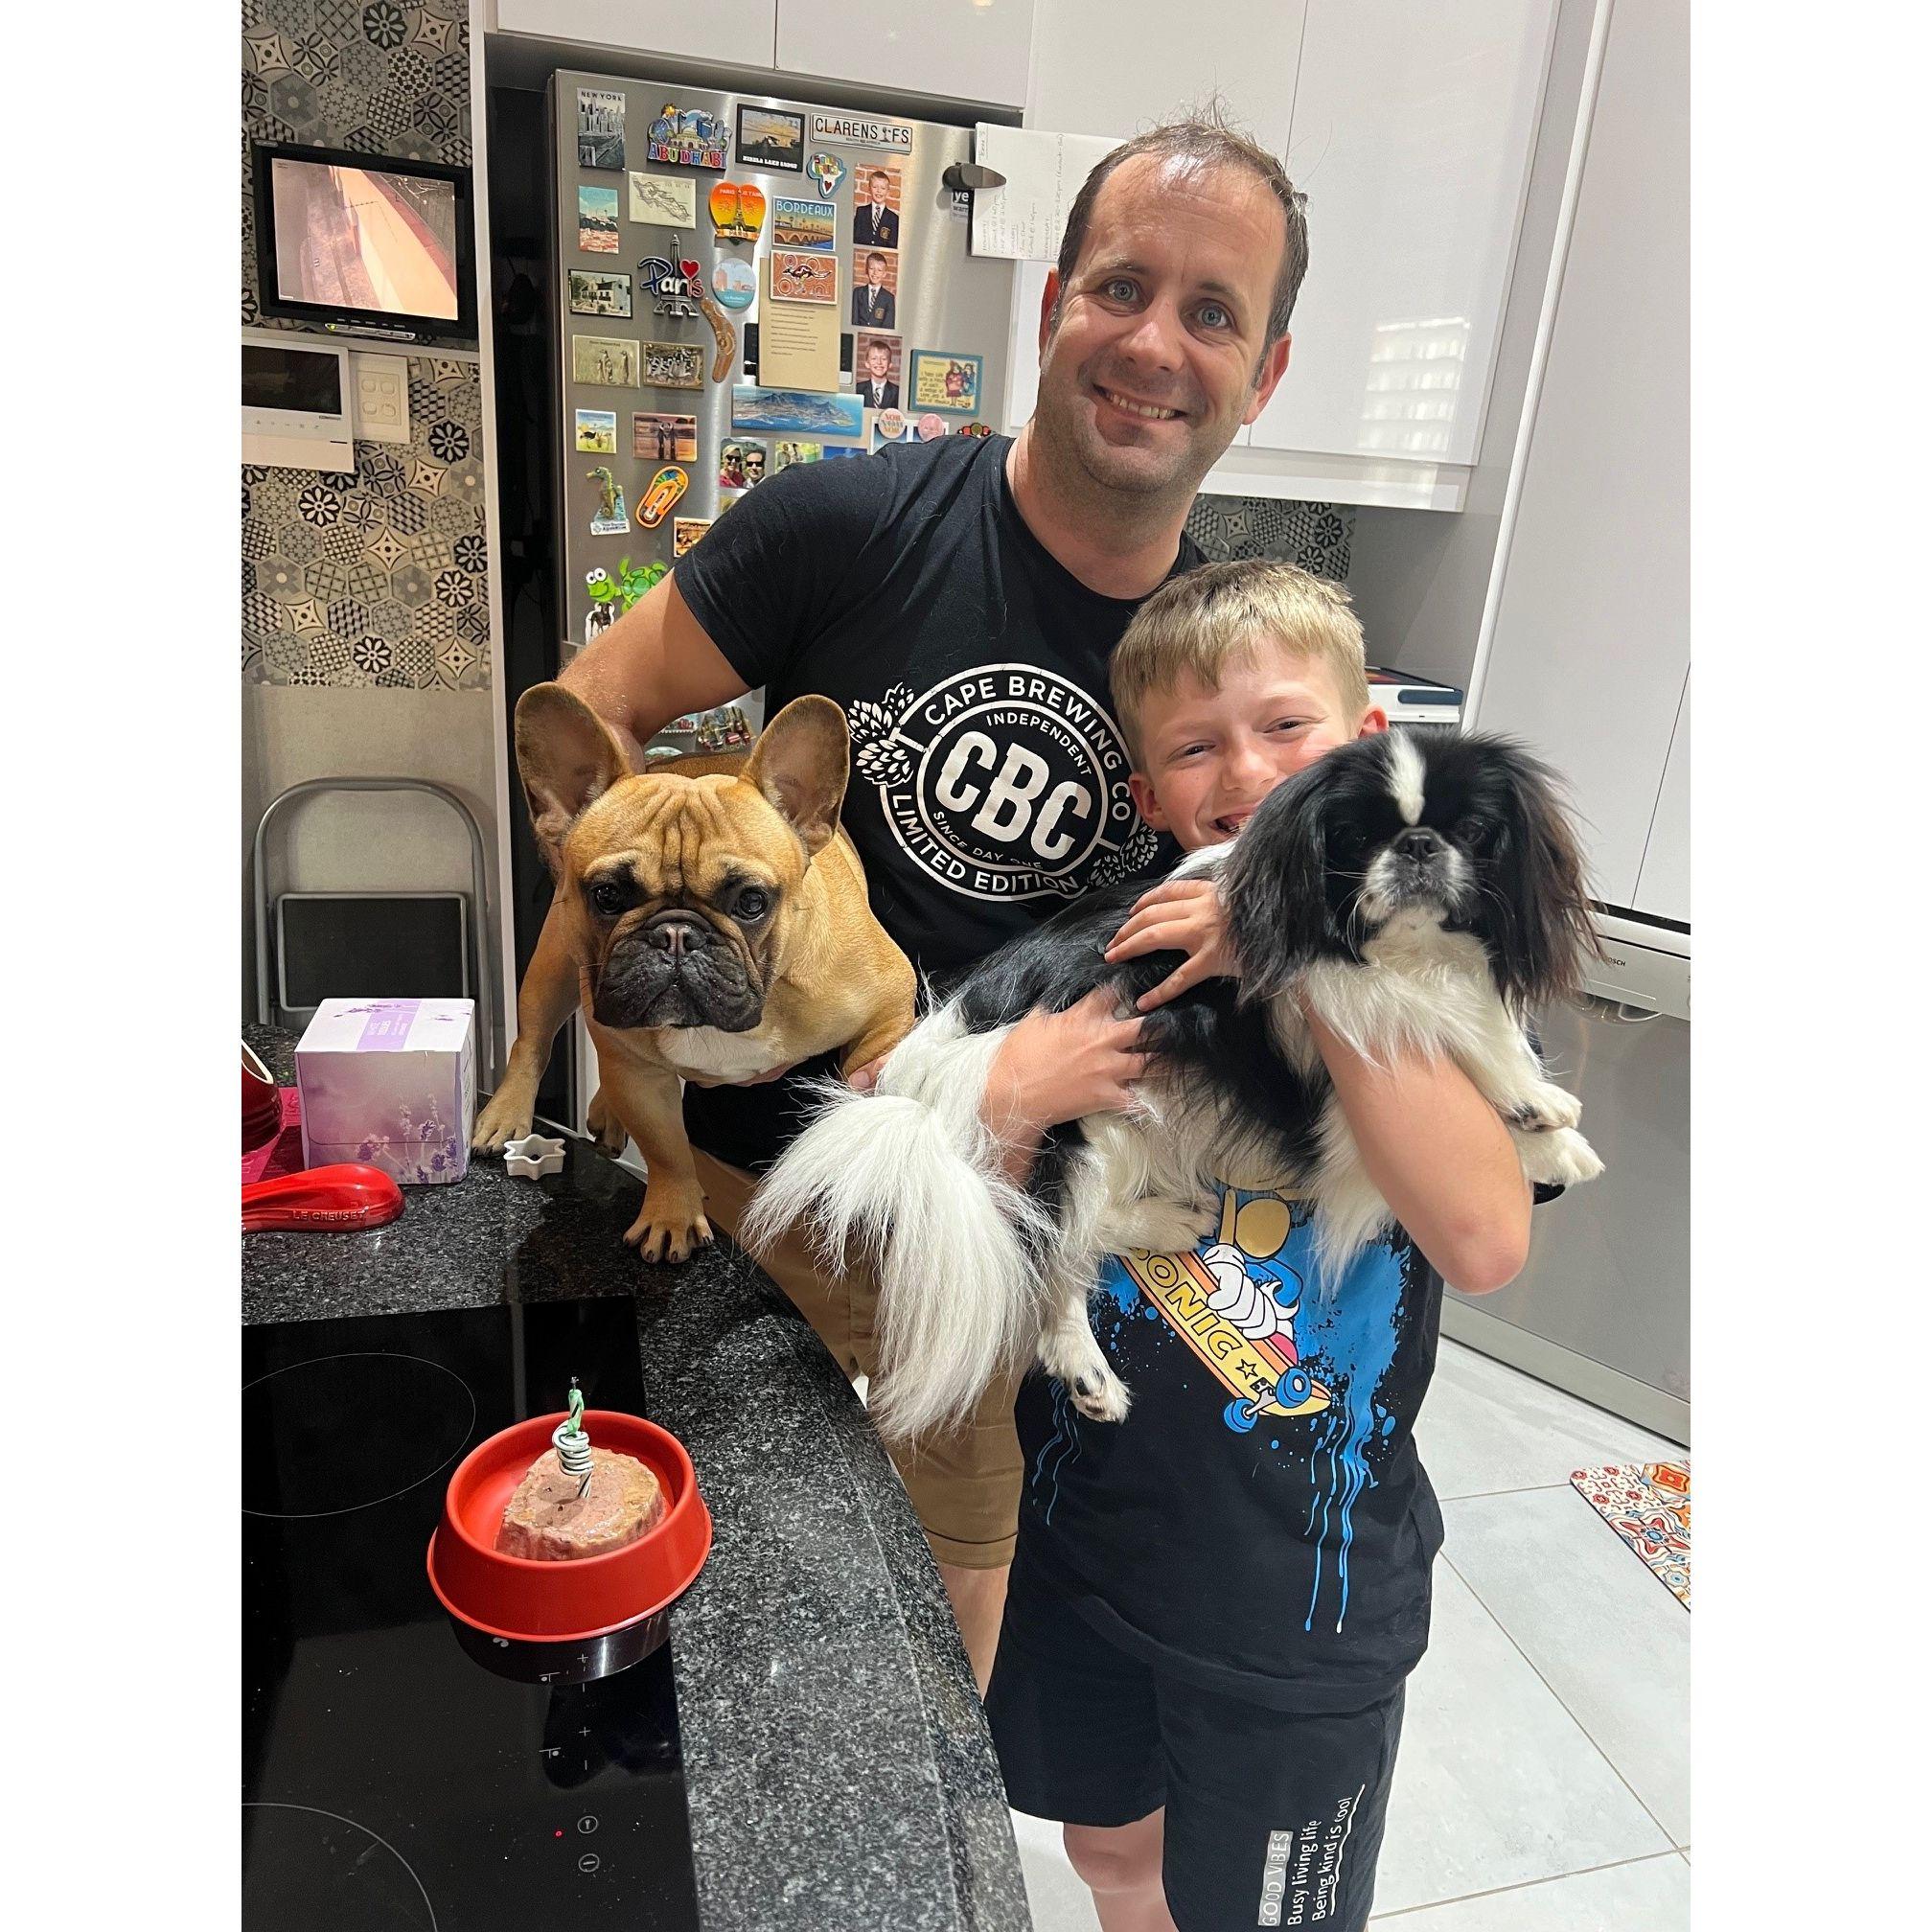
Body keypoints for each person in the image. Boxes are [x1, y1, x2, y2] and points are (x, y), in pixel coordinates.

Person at [519, 112, 1308, 1692]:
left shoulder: (1234, 670)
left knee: (939, 1631)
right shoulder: (847, 524)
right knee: (684, 1623)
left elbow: (1256, 935)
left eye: (1213, 312)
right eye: (1121, 287)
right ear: (1052, 306)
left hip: (992, 1230)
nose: (1155, 344)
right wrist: (659, 980)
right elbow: (593, 712)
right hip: (727, 1200)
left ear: (1265, 373)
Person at [978, 559, 1536, 1932]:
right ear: (1145, 791)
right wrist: (1003, 1104)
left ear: (1367, 741)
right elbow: (988, 1239)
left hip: (1301, 1605)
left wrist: (1291, 945)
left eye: (1286, 726)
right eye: (1194, 747)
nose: (1244, 771)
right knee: (1111, 1854)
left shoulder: (1445, 976)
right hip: (1086, 1543)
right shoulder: (1106, 952)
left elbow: (1482, 1240)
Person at [853, 168, 901, 248]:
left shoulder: (893, 218)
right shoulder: (861, 212)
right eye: (875, 187)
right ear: (869, 189)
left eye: (883, 188)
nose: (879, 191)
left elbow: (893, 245)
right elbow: (855, 238)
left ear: (888, 192)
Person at [851, 250, 895, 329]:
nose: (875, 273)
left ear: (884, 274)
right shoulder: (858, 292)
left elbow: (888, 325)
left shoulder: (889, 298)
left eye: (879, 270)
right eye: (871, 268)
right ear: (866, 270)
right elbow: (854, 319)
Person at [859, 336, 899, 411]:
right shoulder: (858, 389)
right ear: (867, 364)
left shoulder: (897, 392)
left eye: (883, 359)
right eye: (874, 358)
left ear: (890, 364)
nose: (879, 362)